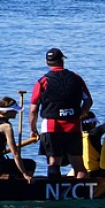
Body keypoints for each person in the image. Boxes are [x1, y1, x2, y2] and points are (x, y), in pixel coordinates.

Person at [29, 48, 93, 178]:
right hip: (73, 125)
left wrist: (33, 129)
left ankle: (55, 194)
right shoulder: (76, 78)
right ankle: (82, 194)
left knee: (53, 164)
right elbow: (88, 101)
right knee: (78, 165)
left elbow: (33, 110)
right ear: (62, 60)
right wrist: (81, 114)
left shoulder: (42, 82)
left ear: (47, 62)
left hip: (51, 126)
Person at [0, 97, 35, 182]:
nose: (16, 112)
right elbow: (15, 153)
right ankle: (24, 184)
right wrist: (24, 174)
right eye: (14, 110)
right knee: (30, 164)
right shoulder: (6, 127)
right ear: (7, 111)